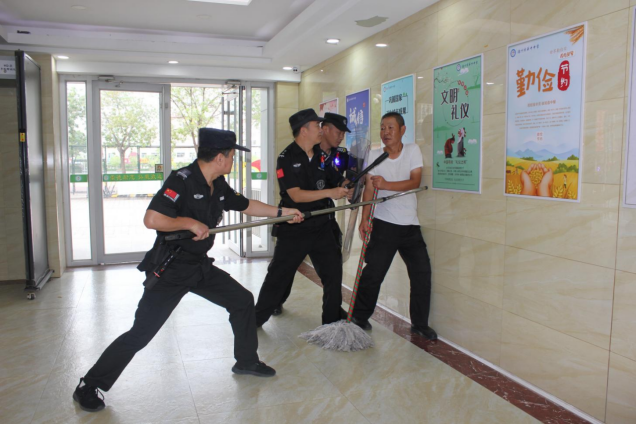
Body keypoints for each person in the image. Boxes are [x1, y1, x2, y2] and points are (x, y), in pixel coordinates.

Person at [72, 128, 304, 413]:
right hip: (172, 268)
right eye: (232, 156)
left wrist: (283, 213)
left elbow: (246, 205)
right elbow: (152, 219)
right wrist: (188, 222)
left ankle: (246, 361)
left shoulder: (218, 184)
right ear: (220, 157)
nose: (234, 160)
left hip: (198, 265)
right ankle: (88, 385)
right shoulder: (181, 180)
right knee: (141, 333)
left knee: (242, 300)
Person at [254, 108, 351, 327]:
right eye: (317, 125)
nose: (320, 129)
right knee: (278, 275)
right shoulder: (286, 158)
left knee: (333, 274)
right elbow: (295, 195)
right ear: (304, 130)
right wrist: (330, 192)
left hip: (322, 226)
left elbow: (335, 178)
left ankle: (331, 323)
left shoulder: (320, 155)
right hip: (295, 226)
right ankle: (255, 320)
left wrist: (346, 185)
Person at [350, 112, 437, 341]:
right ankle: (359, 317)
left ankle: (419, 324)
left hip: (410, 225)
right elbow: (370, 189)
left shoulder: (412, 151)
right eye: (382, 128)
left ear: (402, 130)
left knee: (421, 273)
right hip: (384, 224)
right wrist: (365, 218)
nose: (385, 132)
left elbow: (415, 181)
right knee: (373, 273)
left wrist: (387, 184)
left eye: (390, 127)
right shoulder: (375, 156)